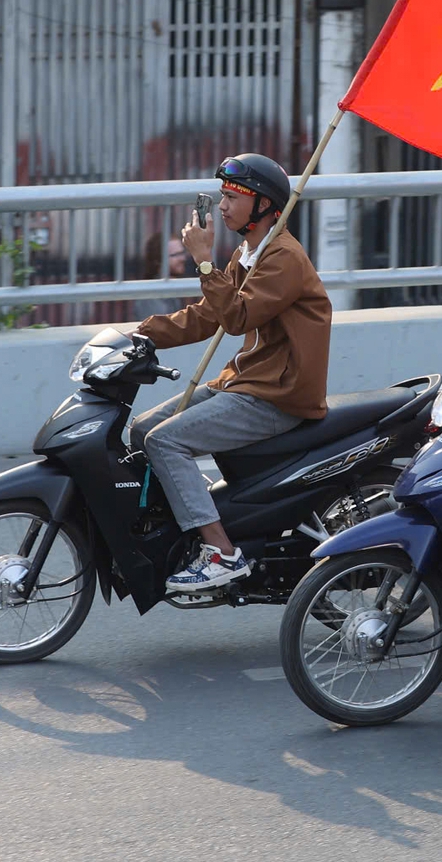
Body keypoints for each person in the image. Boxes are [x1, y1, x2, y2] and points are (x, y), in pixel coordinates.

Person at [129, 155, 330, 592]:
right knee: (143, 429)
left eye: (231, 196)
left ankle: (221, 552)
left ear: (263, 205)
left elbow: (237, 317)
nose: (221, 206)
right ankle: (196, 517)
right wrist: (140, 335)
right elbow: (208, 316)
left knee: (166, 440)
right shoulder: (250, 252)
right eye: (221, 195)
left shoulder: (284, 258)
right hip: (244, 381)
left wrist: (203, 261)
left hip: (277, 395)